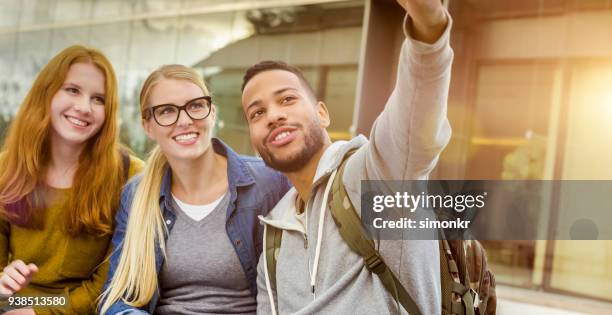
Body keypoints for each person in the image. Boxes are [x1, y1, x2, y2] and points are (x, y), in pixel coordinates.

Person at [240, 0, 453, 313]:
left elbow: (413, 126)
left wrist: (429, 31)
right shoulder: (274, 235)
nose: (273, 115)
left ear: (322, 114)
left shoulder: (374, 176)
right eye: (257, 112)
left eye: (287, 99)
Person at [99, 64, 290, 314]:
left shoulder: (269, 181)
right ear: (148, 126)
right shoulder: (137, 195)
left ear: (211, 112)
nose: (185, 120)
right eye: (166, 111)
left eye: (196, 106)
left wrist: (361, 163)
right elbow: (117, 298)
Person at [0, 45, 144, 315]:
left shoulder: (130, 176)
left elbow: (109, 287)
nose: (84, 107)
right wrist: (6, 292)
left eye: (99, 99)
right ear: (47, 93)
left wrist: (37, 312)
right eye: (73, 90)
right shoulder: (5, 168)